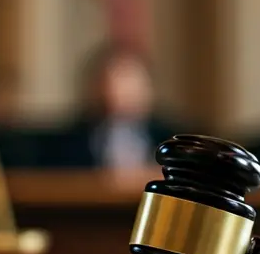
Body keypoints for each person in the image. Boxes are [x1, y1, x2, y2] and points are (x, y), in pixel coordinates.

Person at [46, 47, 178, 169]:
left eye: (132, 83)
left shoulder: (173, 139)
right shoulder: (69, 143)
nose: (122, 93)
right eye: (116, 81)